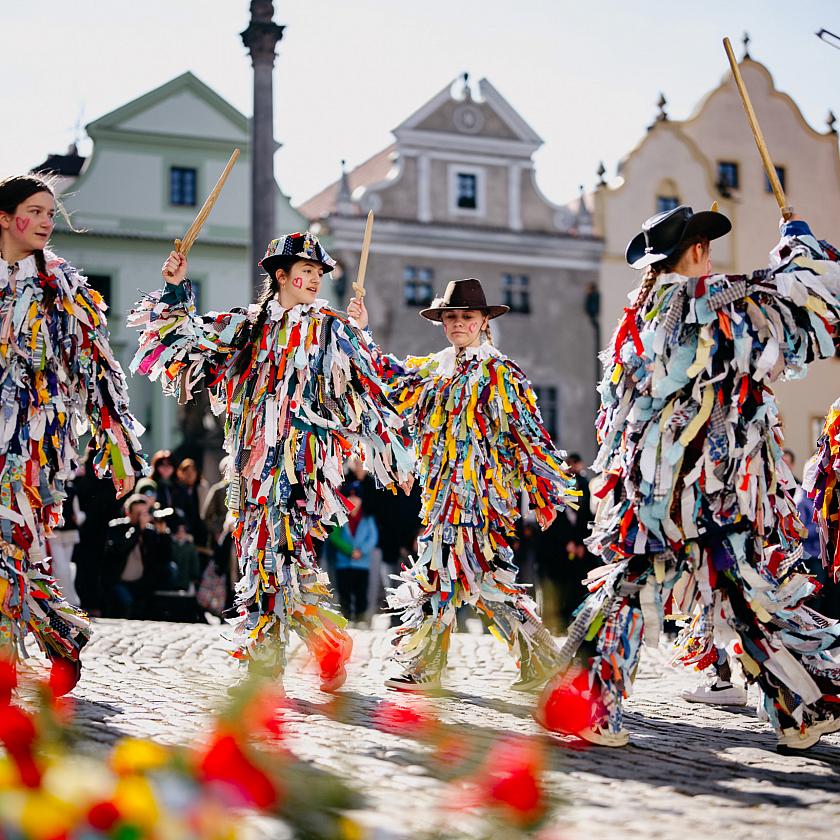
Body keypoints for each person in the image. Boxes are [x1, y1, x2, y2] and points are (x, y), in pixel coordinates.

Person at [536, 205, 840, 750]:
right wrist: (798, 240)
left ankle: (801, 708)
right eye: (708, 248)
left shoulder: (639, 313)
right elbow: (807, 303)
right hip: (700, 492)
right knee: (720, 592)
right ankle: (584, 705)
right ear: (697, 249)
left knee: (733, 594)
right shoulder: (704, 300)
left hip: (662, 491)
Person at [128, 232, 414, 691]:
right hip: (250, 471)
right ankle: (327, 643)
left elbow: (377, 377)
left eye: (319, 273)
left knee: (272, 562)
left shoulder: (330, 329)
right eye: (306, 271)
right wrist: (176, 288)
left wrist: (361, 335)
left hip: (303, 474)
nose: (314, 280)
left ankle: (265, 669)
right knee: (273, 564)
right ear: (280, 275)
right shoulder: (248, 324)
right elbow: (189, 340)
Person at [349, 278, 578, 693]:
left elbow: (528, 435)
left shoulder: (500, 372)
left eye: (466, 317)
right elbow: (388, 380)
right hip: (440, 498)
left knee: (441, 576)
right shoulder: (434, 367)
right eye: (451, 317)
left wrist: (547, 494)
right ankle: (542, 661)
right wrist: (362, 332)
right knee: (486, 585)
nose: (458, 324)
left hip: (481, 501)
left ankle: (425, 666)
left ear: (483, 322)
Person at [0, 174, 144, 695]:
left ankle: (19, 656)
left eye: (49, 213)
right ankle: (59, 632)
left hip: (31, 444)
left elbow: (99, 370)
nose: (44, 222)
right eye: (34, 211)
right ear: (3, 217)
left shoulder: (62, 284)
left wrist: (120, 447)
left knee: (10, 543)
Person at [103, 496, 170, 619]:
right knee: (126, 604)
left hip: (140, 582)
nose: (142, 517)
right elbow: (119, 549)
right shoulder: (116, 527)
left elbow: (163, 557)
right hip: (119, 581)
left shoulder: (149, 531)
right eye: (138, 513)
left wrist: (163, 535)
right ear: (128, 513)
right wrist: (138, 529)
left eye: (144, 513)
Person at [329, 481, 378, 623]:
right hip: (343, 562)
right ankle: (346, 618)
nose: (353, 501)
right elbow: (334, 536)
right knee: (344, 591)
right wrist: (350, 550)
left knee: (361, 591)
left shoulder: (368, 518)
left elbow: (372, 537)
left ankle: (361, 618)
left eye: (357, 498)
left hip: (362, 563)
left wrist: (361, 551)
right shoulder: (339, 517)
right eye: (350, 498)